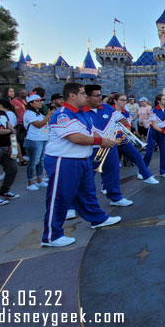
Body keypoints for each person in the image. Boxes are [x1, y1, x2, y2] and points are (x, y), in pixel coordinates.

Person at [41, 83, 121, 247]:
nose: (86, 96)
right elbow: (75, 137)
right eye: (83, 93)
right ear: (72, 95)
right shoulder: (63, 114)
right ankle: (51, 236)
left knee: (87, 193)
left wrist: (109, 140)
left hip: (82, 159)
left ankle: (98, 219)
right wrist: (101, 141)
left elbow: (92, 132)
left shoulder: (81, 114)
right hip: (63, 160)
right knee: (60, 198)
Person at [83, 85, 133, 205]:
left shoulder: (107, 108)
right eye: (97, 95)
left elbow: (123, 121)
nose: (100, 97)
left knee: (113, 173)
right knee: (85, 178)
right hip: (90, 149)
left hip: (110, 147)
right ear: (87, 97)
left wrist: (122, 136)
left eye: (100, 94)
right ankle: (74, 206)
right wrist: (103, 140)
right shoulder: (81, 111)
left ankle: (115, 198)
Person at [111, 94, 159, 184]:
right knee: (111, 164)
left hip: (123, 138)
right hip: (111, 139)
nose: (125, 102)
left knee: (137, 155)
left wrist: (128, 132)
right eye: (122, 100)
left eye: (125, 100)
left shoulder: (125, 112)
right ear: (115, 101)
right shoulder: (109, 110)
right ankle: (105, 185)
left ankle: (146, 175)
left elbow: (128, 123)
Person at [0, 90, 19, 206]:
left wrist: (13, 145)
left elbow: (13, 130)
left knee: (13, 169)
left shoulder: (2, 113)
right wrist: (9, 130)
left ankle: (4, 190)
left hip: (7, 146)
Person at [23, 93, 53, 191]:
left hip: (43, 138)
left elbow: (45, 124)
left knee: (41, 161)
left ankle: (39, 180)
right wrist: (48, 116)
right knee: (34, 161)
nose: (40, 103)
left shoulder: (39, 113)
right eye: (37, 101)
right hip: (34, 139)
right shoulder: (29, 113)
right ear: (30, 103)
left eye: (40, 100)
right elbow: (39, 125)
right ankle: (30, 182)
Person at [143, 93, 165, 176]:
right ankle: (142, 171)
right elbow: (154, 125)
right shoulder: (153, 110)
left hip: (164, 132)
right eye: (164, 99)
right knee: (149, 152)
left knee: (164, 152)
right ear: (158, 101)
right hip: (154, 132)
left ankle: (163, 171)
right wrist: (164, 131)